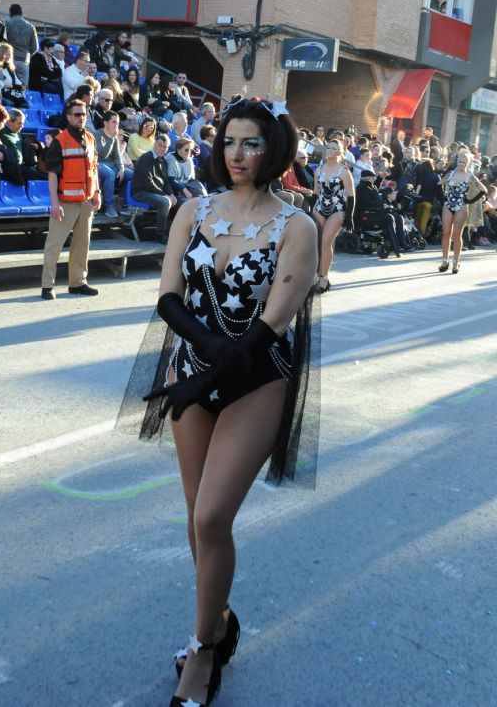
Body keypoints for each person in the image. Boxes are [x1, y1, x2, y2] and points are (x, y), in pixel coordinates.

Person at [134, 97, 317, 707]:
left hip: (255, 381)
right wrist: (200, 362)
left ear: (274, 150)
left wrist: (204, 378)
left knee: (213, 518)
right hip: (194, 372)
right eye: (230, 142)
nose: (237, 155)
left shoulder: (297, 226)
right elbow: (168, 296)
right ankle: (220, 622)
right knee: (196, 522)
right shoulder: (192, 208)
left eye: (252, 143)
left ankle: (204, 651)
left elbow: (271, 327)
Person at [40, 99, 101, 299]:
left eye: (83, 114)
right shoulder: (60, 140)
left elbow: (94, 168)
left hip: (86, 202)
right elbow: (52, 174)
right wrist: (54, 204)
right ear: (68, 116)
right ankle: (47, 285)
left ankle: (78, 283)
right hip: (65, 202)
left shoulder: (91, 138)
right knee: (54, 244)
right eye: (77, 114)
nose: (81, 117)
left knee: (82, 244)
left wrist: (97, 192)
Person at [312, 137, 355, 292]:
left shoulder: (344, 172)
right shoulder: (319, 169)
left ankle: (324, 277)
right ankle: (315, 275)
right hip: (319, 207)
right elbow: (316, 192)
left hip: (337, 208)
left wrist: (349, 217)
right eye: (328, 147)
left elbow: (351, 195)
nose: (329, 150)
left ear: (340, 153)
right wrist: (311, 211)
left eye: (333, 148)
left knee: (325, 241)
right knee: (316, 242)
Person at [439, 149, 486, 274]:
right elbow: (439, 183)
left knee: (456, 235)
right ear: (457, 161)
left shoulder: (470, 176)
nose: (462, 163)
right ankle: (445, 260)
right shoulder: (450, 174)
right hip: (448, 206)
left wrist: (470, 200)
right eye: (460, 161)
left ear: (469, 162)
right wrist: (443, 197)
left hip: (462, 207)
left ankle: (456, 261)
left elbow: (484, 189)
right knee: (446, 233)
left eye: (464, 162)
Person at [131, 133, 177, 243]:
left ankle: (174, 233)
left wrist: (171, 194)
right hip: (141, 192)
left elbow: (166, 182)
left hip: (155, 192)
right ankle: (161, 234)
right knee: (165, 202)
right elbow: (148, 182)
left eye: (165, 147)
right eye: (160, 145)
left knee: (181, 201)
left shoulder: (164, 161)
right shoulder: (146, 158)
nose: (162, 148)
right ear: (154, 144)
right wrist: (165, 195)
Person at [355, 170, 404, 256]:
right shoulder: (361, 188)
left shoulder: (371, 186)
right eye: (373, 177)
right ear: (369, 178)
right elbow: (367, 203)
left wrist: (381, 177)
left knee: (398, 217)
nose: (374, 179)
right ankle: (395, 246)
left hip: (375, 211)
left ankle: (402, 243)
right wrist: (382, 205)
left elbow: (376, 185)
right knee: (389, 218)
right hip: (366, 213)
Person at [95, 110, 131, 217]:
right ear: (106, 123)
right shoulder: (98, 134)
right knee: (110, 174)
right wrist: (111, 138)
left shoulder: (114, 137)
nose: (117, 125)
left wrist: (121, 168)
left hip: (110, 164)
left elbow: (116, 155)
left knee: (133, 175)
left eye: (118, 123)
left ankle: (120, 201)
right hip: (98, 163)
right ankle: (109, 207)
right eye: (114, 122)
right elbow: (102, 155)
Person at [0, 108, 41, 185]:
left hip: (21, 166)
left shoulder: (18, 134)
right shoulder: (1, 132)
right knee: (35, 176)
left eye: (23, 123)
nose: (22, 126)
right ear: (9, 122)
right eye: (19, 123)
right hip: (9, 168)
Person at [5, 3, 39, 84]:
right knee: (23, 88)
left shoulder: (7, 24)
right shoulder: (31, 26)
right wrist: (27, 54)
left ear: (10, 13)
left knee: (9, 86)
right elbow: (36, 47)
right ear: (21, 13)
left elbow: (3, 42)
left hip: (10, 60)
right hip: (24, 61)